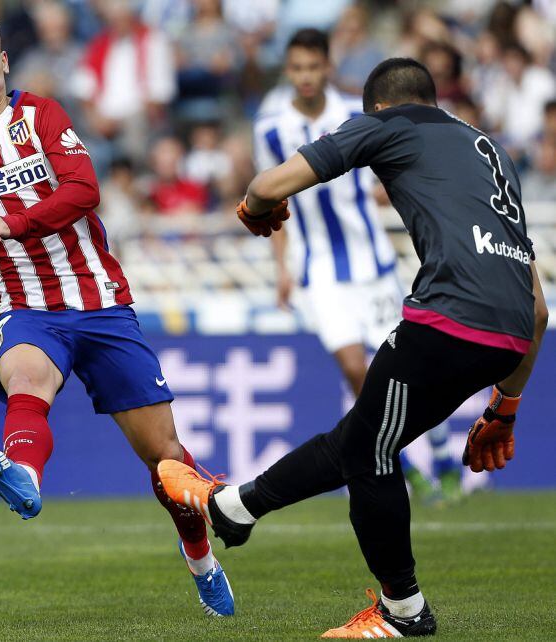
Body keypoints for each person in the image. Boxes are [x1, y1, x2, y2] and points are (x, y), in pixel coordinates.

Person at [157, 58, 548, 637]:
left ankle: (404, 612)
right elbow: (539, 307)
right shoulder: (491, 152)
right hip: (509, 329)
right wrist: (504, 408)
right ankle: (232, 508)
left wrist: (256, 209)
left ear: (379, 108)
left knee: (368, 452)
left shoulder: (388, 124)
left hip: (448, 316)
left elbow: (266, 185)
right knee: (365, 435)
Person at [0, 9, 233, 617]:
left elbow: (83, 191)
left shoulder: (41, 115)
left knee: (165, 457)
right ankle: (27, 481)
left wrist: (9, 221)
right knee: (26, 379)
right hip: (26, 306)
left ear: (5, 59)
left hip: (100, 303)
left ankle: (200, 554)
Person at [254, 29, 460, 504]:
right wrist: (281, 268)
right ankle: (405, 467)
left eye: (313, 67)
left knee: (410, 367)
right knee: (355, 371)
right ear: (288, 71)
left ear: (327, 67)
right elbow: (272, 196)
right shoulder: (269, 126)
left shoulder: (355, 113)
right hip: (319, 270)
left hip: (373, 264)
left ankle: (444, 455)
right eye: (297, 68)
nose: (305, 77)